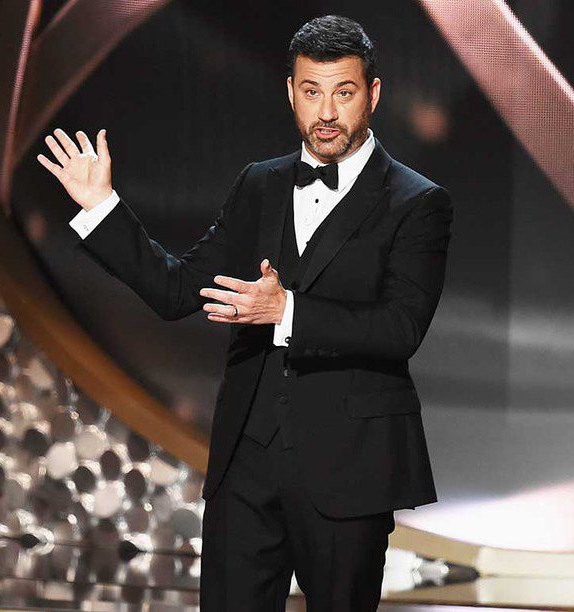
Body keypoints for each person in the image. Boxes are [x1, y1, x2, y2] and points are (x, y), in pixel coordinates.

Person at [38, 14, 453, 611]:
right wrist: (102, 207)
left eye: (343, 92)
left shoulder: (417, 202)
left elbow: (400, 328)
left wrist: (287, 309)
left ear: (374, 94)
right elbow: (176, 291)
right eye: (311, 92)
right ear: (290, 92)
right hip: (247, 469)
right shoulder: (259, 185)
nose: (326, 112)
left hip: (349, 469)